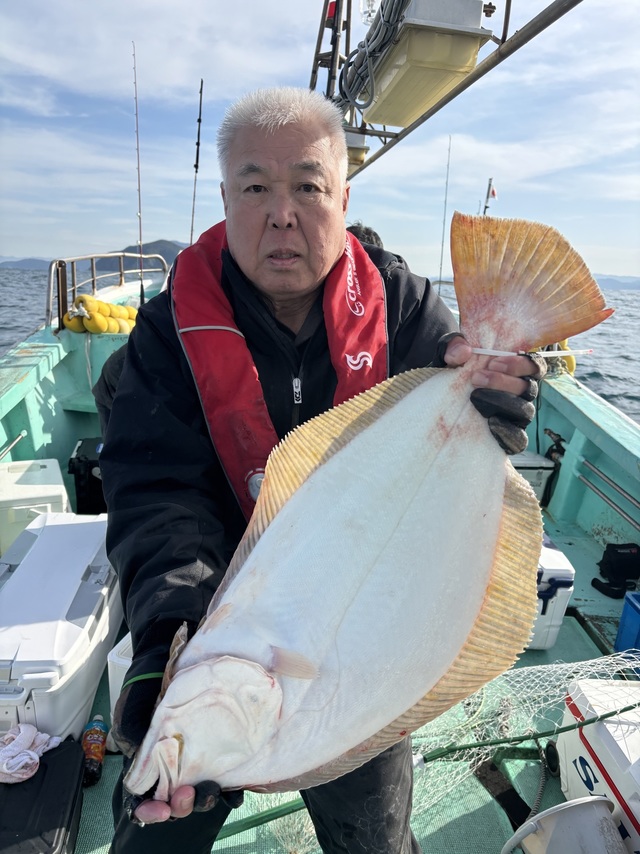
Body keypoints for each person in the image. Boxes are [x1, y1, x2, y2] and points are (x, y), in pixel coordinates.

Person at [100, 86, 544, 854]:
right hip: (217, 623)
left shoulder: (404, 307)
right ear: (225, 200)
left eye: (307, 187)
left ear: (343, 196)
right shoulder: (168, 331)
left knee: (374, 840)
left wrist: (500, 400)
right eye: (255, 189)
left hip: (364, 640)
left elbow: (473, 436)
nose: (282, 215)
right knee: (153, 825)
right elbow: (159, 496)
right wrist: (167, 641)